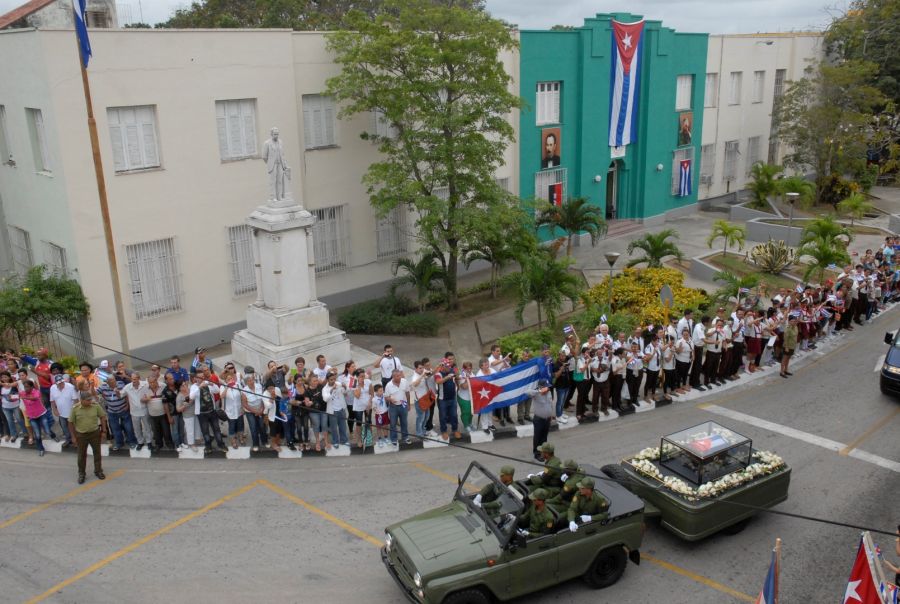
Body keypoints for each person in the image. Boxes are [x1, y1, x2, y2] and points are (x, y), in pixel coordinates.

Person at [69, 390, 107, 483]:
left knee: (97, 453)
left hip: (94, 433)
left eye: (90, 400)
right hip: (81, 435)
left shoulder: (95, 406)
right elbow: (70, 422)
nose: (90, 402)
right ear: (81, 400)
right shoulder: (75, 408)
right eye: (87, 400)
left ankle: (98, 471)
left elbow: (102, 417)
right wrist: (73, 437)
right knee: (81, 455)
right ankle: (81, 473)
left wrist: (104, 431)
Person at [190, 371, 226, 453]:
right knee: (205, 431)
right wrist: (199, 387)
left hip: (212, 411)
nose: (201, 378)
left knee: (217, 429)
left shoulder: (207, 383)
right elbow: (191, 396)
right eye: (199, 377)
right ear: (195, 378)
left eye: (202, 376)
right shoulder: (194, 387)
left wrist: (212, 384)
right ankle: (208, 446)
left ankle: (221, 445)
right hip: (202, 414)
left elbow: (217, 391)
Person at [99, 375, 136, 451]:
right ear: (107, 382)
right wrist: (91, 386)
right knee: (115, 429)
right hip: (111, 411)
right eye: (110, 382)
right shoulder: (103, 387)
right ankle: (119, 443)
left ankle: (132, 441)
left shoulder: (121, 384)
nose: (113, 383)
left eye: (113, 381)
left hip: (123, 409)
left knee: (128, 427)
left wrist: (127, 405)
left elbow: (126, 395)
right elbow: (94, 392)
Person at [122, 372, 153, 451]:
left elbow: (151, 390)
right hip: (134, 412)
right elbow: (121, 394)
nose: (134, 381)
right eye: (132, 379)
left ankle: (149, 442)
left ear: (139, 378)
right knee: (137, 428)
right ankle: (140, 442)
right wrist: (115, 391)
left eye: (135, 379)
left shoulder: (145, 384)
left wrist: (147, 398)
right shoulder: (127, 387)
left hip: (144, 410)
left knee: (147, 427)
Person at [21, 379, 52, 456]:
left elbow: (35, 398)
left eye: (27, 387)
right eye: (25, 387)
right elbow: (14, 397)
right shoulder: (22, 393)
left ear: (32, 387)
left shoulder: (36, 392)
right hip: (32, 417)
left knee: (47, 431)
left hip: (41, 414)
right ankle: (41, 449)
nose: (26, 389)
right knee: (37, 435)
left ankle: (53, 435)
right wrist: (11, 397)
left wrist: (25, 397)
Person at [434, 353, 461, 440]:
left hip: (452, 397)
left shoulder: (452, 371)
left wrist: (458, 374)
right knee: (443, 416)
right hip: (442, 399)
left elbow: (457, 377)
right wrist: (447, 377)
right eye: (447, 366)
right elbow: (438, 381)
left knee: (454, 415)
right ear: (443, 366)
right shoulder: (439, 373)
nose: (449, 367)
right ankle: (444, 431)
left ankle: (455, 430)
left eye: (449, 366)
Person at [262, 126, 291, 202]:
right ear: (271, 134)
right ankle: (272, 197)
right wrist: (269, 163)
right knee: (273, 181)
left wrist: (284, 164)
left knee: (279, 181)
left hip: (280, 164)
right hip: (273, 165)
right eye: (275, 134)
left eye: (277, 134)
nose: (276, 136)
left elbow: (282, 154)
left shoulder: (280, 142)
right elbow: (264, 156)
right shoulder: (267, 143)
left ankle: (279, 196)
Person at [384, 369, 411, 446]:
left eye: (399, 375)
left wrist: (408, 404)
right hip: (393, 407)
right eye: (397, 376)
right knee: (393, 424)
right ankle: (394, 439)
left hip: (403, 404)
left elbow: (407, 393)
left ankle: (405, 437)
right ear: (393, 376)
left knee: (404, 422)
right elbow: (386, 397)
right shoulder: (388, 385)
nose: (399, 377)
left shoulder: (404, 381)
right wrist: (390, 399)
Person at [528, 379, 554, 460]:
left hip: (547, 418)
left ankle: (544, 451)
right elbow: (527, 392)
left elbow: (550, 404)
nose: (548, 388)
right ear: (541, 387)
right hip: (539, 419)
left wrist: (551, 414)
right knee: (538, 437)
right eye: (546, 387)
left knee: (544, 437)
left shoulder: (549, 392)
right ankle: (537, 453)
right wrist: (539, 391)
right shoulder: (536, 394)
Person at [49, 374, 77, 447]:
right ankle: (68, 440)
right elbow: (52, 401)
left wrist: (75, 412)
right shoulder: (52, 388)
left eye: (62, 382)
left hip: (71, 412)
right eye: (59, 383)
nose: (61, 384)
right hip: (61, 413)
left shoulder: (71, 387)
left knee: (73, 428)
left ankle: (76, 440)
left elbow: (75, 400)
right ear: (55, 383)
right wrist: (54, 410)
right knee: (64, 428)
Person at [780, 314, 798, 378]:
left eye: (794, 321)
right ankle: (781, 372)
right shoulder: (787, 328)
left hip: (792, 346)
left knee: (788, 359)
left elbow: (795, 336)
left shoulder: (796, 327)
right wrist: (786, 347)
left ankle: (786, 370)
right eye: (792, 321)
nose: (794, 322)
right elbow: (785, 338)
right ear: (789, 321)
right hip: (787, 346)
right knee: (784, 359)